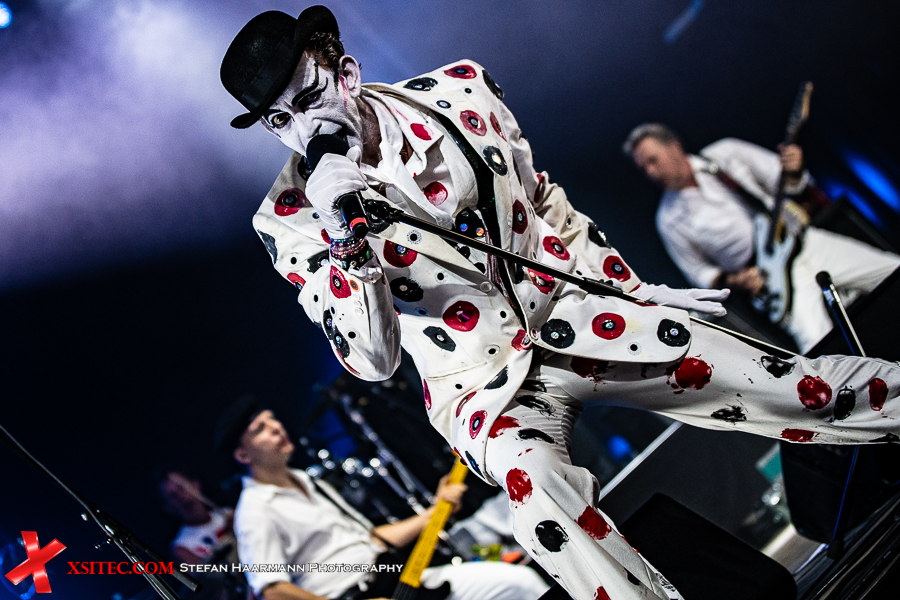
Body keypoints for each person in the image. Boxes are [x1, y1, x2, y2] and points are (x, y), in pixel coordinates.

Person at [219, 7, 900, 599]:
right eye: (279, 120)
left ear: (345, 73)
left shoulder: (460, 91)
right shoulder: (289, 219)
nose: (302, 127)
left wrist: (630, 288)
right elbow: (372, 360)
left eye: (309, 98)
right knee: (543, 502)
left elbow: (545, 203)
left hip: (576, 309)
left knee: (792, 387)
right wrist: (345, 239)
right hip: (484, 386)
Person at [215, 397, 549, 600]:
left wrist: (436, 511)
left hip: (392, 581)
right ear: (243, 455)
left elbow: (371, 539)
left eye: (272, 419)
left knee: (518, 585)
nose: (275, 427)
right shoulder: (255, 511)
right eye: (260, 429)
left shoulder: (306, 480)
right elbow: (271, 590)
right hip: (353, 594)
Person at [624, 123, 900, 352]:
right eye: (643, 168)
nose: (651, 172)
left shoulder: (725, 154)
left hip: (805, 243)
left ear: (674, 146)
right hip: (773, 280)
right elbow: (698, 272)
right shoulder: (668, 219)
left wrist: (794, 170)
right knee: (818, 344)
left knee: (891, 271)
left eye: (653, 160)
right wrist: (737, 280)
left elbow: (788, 183)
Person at [158, 470, 244, 600]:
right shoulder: (181, 548)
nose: (181, 495)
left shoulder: (230, 513)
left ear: (196, 484)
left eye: (181, 487)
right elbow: (208, 583)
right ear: (168, 506)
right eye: (173, 495)